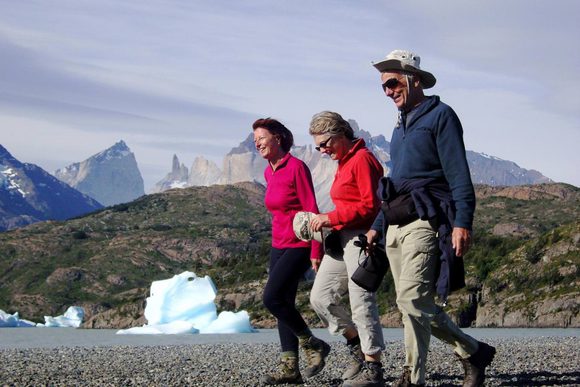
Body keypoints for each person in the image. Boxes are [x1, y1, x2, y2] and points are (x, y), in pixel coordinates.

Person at [366, 49, 496, 387]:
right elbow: (395, 184)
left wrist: (462, 222)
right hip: (395, 223)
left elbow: (458, 175)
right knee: (412, 302)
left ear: (414, 79)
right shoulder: (400, 127)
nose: (388, 91)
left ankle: (413, 376)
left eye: (392, 83)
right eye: (383, 86)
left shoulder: (441, 116)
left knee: (411, 299)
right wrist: (377, 227)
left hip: (428, 219)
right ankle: (472, 350)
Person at [307, 111, 386, 387]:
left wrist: (331, 217)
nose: (323, 150)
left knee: (361, 300)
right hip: (342, 239)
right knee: (320, 297)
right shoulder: (344, 161)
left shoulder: (363, 160)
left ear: (341, 134)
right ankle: (356, 347)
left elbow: (371, 207)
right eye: (318, 147)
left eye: (325, 143)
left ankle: (373, 368)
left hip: (362, 238)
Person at [253, 118, 330, 385]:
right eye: (255, 140)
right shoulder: (268, 171)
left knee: (271, 298)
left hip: (299, 245)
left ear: (278, 138)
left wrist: (316, 250)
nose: (257, 143)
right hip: (278, 245)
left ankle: (313, 343)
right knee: (282, 304)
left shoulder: (296, 167)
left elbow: (312, 208)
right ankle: (290, 368)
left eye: (261, 138)